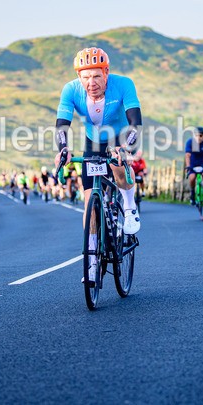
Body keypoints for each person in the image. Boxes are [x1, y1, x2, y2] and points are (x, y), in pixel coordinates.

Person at [54, 47, 143, 283]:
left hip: (120, 137)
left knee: (117, 168)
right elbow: (62, 125)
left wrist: (126, 147)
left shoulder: (123, 85)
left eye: (96, 76)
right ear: (79, 77)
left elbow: (136, 122)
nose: (91, 82)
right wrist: (63, 149)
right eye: (85, 77)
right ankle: (92, 260)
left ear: (106, 72)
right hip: (92, 142)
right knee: (89, 204)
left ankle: (129, 205)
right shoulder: (71, 90)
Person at [185, 126, 203, 206]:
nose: (199, 138)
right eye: (197, 136)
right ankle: (192, 195)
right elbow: (187, 155)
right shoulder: (189, 142)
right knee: (192, 178)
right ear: (194, 135)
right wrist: (188, 166)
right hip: (193, 163)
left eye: (201, 136)